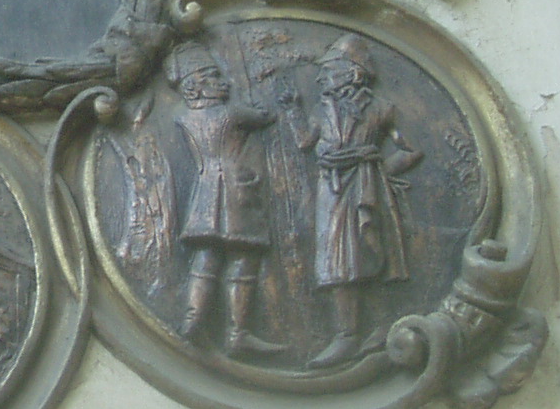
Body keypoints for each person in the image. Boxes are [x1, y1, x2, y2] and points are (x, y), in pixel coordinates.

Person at [291, 35, 421, 368]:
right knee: (335, 256)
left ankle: (378, 325)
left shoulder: (380, 108)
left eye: (328, 70)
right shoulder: (320, 110)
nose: (320, 78)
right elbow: (304, 143)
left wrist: (376, 167)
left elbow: (410, 150)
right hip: (331, 188)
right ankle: (346, 336)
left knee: (369, 248)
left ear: (352, 73)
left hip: (365, 186)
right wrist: (293, 111)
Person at [164, 48, 280, 357]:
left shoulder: (184, 117)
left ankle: (193, 320)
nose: (224, 81)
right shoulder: (232, 113)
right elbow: (266, 116)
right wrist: (258, 101)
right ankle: (237, 334)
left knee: (206, 255)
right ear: (195, 86)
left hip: (204, 190)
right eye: (214, 76)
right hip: (233, 188)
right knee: (243, 256)